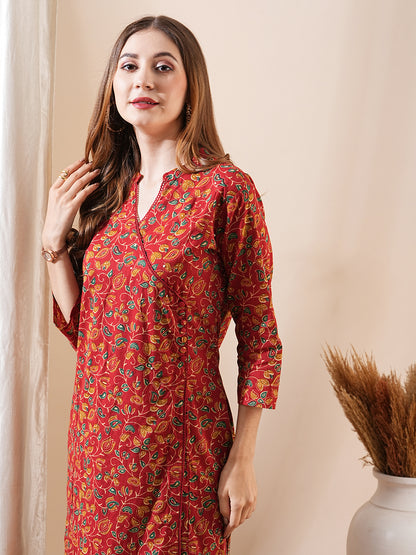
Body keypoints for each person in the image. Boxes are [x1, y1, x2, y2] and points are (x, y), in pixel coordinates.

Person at [42, 15, 282, 555]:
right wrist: (54, 245)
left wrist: (243, 459)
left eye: (163, 67)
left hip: (182, 444)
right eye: (129, 66)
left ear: (191, 85)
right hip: (98, 446)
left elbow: (261, 340)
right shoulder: (105, 195)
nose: (143, 80)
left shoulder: (224, 191)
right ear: (114, 83)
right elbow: (91, 334)